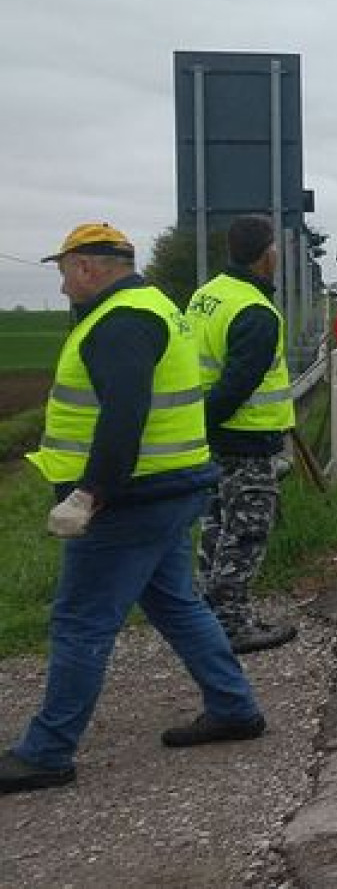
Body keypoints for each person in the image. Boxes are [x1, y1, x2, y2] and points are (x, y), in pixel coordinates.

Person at [3, 224, 267, 795]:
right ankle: (234, 707)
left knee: (80, 621)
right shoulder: (151, 308)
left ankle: (47, 751)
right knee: (175, 604)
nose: (63, 284)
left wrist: (90, 493)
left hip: (130, 500)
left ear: (89, 267)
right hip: (166, 489)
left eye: (65, 271)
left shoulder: (119, 323)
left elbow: (125, 413)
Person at [186, 214, 298, 654]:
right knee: (245, 534)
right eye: (276, 250)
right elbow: (236, 385)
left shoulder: (205, 296)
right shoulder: (255, 311)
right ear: (267, 255)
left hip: (212, 440)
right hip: (245, 440)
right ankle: (231, 626)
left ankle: (210, 618)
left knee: (216, 527)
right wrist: (210, 423)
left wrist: (198, 428)